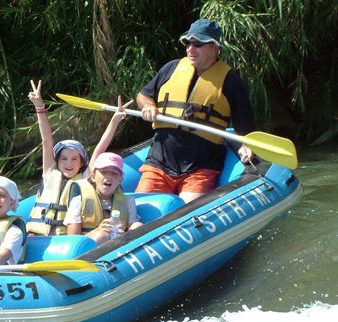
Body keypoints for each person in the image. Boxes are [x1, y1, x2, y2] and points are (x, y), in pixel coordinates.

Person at [135, 18, 257, 203]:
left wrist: (248, 145)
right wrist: (149, 106)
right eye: (188, 43)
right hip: (159, 162)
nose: (190, 49)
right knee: (141, 213)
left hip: (200, 168)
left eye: (198, 43)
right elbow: (143, 95)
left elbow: (245, 126)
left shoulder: (231, 81)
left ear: (215, 48)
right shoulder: (171, 68)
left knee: (187, 216)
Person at [26, 79, 126, 235]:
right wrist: (39, 107)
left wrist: (114, 121)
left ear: (81, 163)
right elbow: (46, 140)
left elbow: (100, 147)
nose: (68, 163)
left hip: (64, 238)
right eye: (64, 159)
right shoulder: (50, 172)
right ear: (57, 161)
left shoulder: (86, 177)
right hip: (37, 235)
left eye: (74, 159)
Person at [64, 152, 142, 245]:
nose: (108, 176)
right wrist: (98, 230)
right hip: (88, 249)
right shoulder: (78, 201)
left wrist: (124, 232)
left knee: (138, 226)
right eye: (103, 172)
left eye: (114, 173)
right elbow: (73, 241)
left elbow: (132, 229)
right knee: (102, 234)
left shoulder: (129, 201)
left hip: (119, 245)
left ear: (120, 180)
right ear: (93, 177)